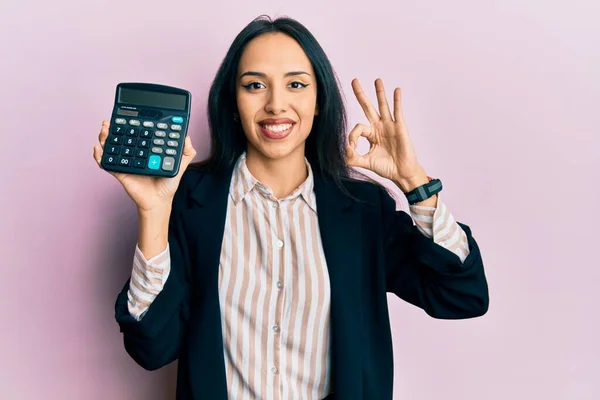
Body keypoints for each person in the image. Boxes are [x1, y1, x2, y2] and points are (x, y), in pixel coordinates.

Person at [93, 15, 488, 400]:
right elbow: (151, 348)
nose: (276, 104)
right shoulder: (191, 201)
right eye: (254, 86)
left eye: (296, 84)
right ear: (233, 101)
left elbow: (461, 295)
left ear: (319, 101)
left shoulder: (364, 211)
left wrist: (414, 182)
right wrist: (153, 211)